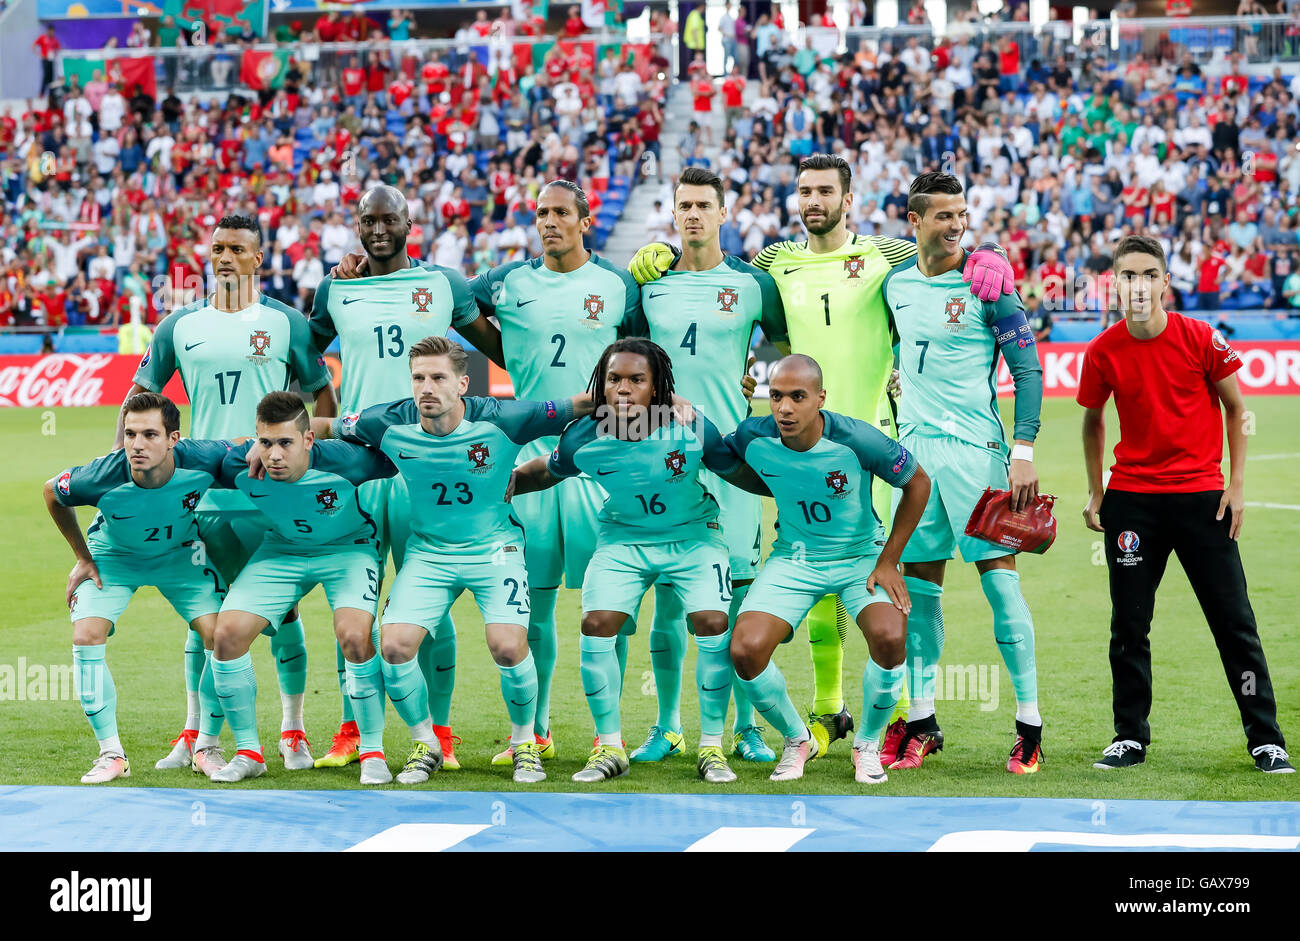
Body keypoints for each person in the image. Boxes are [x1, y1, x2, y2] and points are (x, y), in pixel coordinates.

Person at [630, 153, 1016, 761]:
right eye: (804, 191)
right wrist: (653, 256)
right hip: (802, 448)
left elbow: (939, 243)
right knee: (817, 573)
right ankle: (830, 710)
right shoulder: (772, 263)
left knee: (892, 582)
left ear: (848, 197)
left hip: (880, 444)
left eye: (824, 191)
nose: (812, 200)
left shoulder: (885, 256)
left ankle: (917, 717)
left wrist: (989, 251)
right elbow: (735, 294)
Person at [319, 336, 594, 784]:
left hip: (495, 548)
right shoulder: (385, 421)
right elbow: (326, 427)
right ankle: (425, 743)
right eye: (419, 378)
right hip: (429, 552)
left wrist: (664, 401)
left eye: (438, 378)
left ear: (463, 383)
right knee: (394, 646)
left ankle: (525, 741)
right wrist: (264, 439)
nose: (427, 387)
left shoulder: (504, 417)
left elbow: (576, 405)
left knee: (507, 645)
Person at [117, 214, 337, 772]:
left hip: (270, 493)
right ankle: (198, 735)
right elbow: (137, 400)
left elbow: (322, 396)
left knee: (282, 611)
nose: (223, 257)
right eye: (216, 248)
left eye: (237, 248)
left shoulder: (286, 324)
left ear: (258, 258)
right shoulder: (178, 326)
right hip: (205, 496)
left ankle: (292, 730)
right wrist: (130, 474)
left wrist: (313, 462)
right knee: (207, 614)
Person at [1079, 234, 1292, 774]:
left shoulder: (1201, 338)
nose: (1138, 285)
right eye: (1127, 275)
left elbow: (1237, 409)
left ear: (1165, 283)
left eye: (1148, 274)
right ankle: (1129, 736)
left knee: (1234, 622)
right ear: (1115, 285)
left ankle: (1265, 738)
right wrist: (1096, 489)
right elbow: (1092, 419)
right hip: (1133, 505)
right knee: (1129, 626)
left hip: (1203, 501)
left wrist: (1236, 484)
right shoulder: (1103, 351)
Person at [309, 185, 506, 770]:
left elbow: (496, 349)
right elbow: (303, 351)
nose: (377, 229)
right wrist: (324, 411)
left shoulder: (445, 284)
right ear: (357, 224)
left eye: (387, 219)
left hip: (429, 463)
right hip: (360, 465)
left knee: (430, 603)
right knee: (354, 603)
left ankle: (437, 732)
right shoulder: (336, 286)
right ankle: (352, 728)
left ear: (409, 222)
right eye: (366, 220)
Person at [463, 180, 648, 767]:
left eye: (561, 213)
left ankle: (607, 734)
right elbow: (449, 302)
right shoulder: (505, 282)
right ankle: (536, 730)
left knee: (607, 608)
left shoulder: (617, 285)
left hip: (600, 461)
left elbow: (643, 359)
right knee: (533, 606)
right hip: (527, 464)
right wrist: (508, 352)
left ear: (585, 220)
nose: (549, 222)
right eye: (541, 213)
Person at [510, 339, 753, 784]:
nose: (623, 389)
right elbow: (549, 469)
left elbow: (739, 470)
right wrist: (506, 483)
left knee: (713, 622)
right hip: (623, 538)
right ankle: (609, 746)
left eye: (636, 380)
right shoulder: (585, 435)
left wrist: (797, 489)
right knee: (598, 622)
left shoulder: (690, 426)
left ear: (657, 387)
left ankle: (712, 747)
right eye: (614, 379)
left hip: (693, 536)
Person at [882, 171, 1046, 773]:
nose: (956, 225)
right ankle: (923, 722)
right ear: (915, 222)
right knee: (920, 593)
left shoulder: (990, 286)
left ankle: (1029, 727)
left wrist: (1022, 450)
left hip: (977, 455)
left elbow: (1028, 372)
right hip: (916, 459)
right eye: (944, 215)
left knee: (1001, 586)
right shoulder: (895, 284)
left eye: (963, 214)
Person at [632, 167, 786, 764]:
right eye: (683, 206)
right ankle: (668, 725)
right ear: (672, 214)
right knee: (671, 596)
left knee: (740, 598)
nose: (692, 214)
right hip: (662, 461)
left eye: (703, 205)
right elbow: (628, 362)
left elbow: (780, 351)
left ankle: (746, 727)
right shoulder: (650, 286)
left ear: (725, 213)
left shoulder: (751, 284)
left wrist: (760, 379)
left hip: (731, 461)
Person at [723, 355, 931, 782]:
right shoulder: (752, 436)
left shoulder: (858, 439)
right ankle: (798, 740)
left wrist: (889, 559)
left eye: (798, 397)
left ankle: (867, 745)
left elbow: (918, 482)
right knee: (745, 650)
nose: (784, 408)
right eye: (776, 396)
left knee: (890, 637)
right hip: (794, 559)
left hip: (861, 556)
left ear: (820, 398)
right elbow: (727, 462)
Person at [206, 392, 398, 783]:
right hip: (283, 550)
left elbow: (401, 452)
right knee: (225, 635)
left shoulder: (349, 461)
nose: (274, 455)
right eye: (266, 443)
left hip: (348, 548)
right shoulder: (237, 464)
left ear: (309, 441)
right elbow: (187, 453)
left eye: (285, 443)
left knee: (355, 638)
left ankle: (373, 752)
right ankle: (249, 753)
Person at [44, 393, 233, 784]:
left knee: (223, 636)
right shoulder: (102, 475)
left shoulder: (205, 458)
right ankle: (111, 754)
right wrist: (83, 556)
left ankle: (207, 746)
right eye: (130, 434)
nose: (137, 444)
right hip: (114, 556)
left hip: (182, 555)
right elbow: (52, 492)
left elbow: (251, 450)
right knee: (86, 634)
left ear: (173, 438)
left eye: (149, 434)